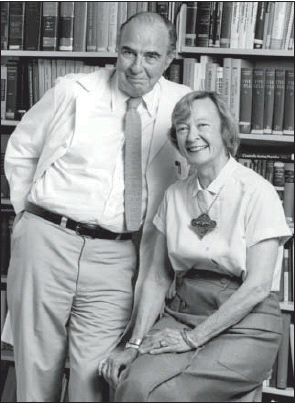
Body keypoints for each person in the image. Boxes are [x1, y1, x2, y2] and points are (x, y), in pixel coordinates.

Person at [4, 12, 191, 402]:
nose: (136, 67)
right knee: (36, 365)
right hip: (47, 240)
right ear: (116, 51)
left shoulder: (181, 105)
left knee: (96, 375)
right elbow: (21, 150)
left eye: (151, 56)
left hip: (118, 253)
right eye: (128, 52)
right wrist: (27, 216)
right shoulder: (73, 91)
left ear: (170, 57)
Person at [100, 91, 292, 402]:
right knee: (133, 384)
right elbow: (157, 279)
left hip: (245, 323)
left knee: (164, 395)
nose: (192, 136)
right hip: (184, 312)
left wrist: (191, 339)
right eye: (182, 127)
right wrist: (134, 345)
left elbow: (257, 286)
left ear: (224, 130)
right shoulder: (175, 195)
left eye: (203, 125)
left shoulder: (258, 191)